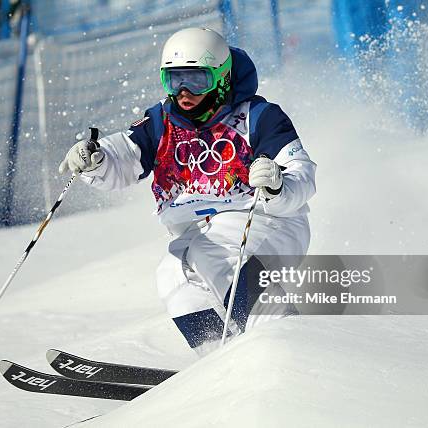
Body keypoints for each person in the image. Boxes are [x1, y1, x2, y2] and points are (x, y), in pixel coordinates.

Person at [59, 28, 316, 355]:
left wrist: (279, 184)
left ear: (221, 78)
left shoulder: (259, 117)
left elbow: (302, 174)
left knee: (213, 255)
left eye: (196, 80)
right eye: (173, 79)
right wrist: (95, 159)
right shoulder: (162, 122)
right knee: (172, 274)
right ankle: (214, 354)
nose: (183, 91)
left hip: (270, 222)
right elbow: (124, 154)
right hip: (200, 233)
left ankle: (284, 339)